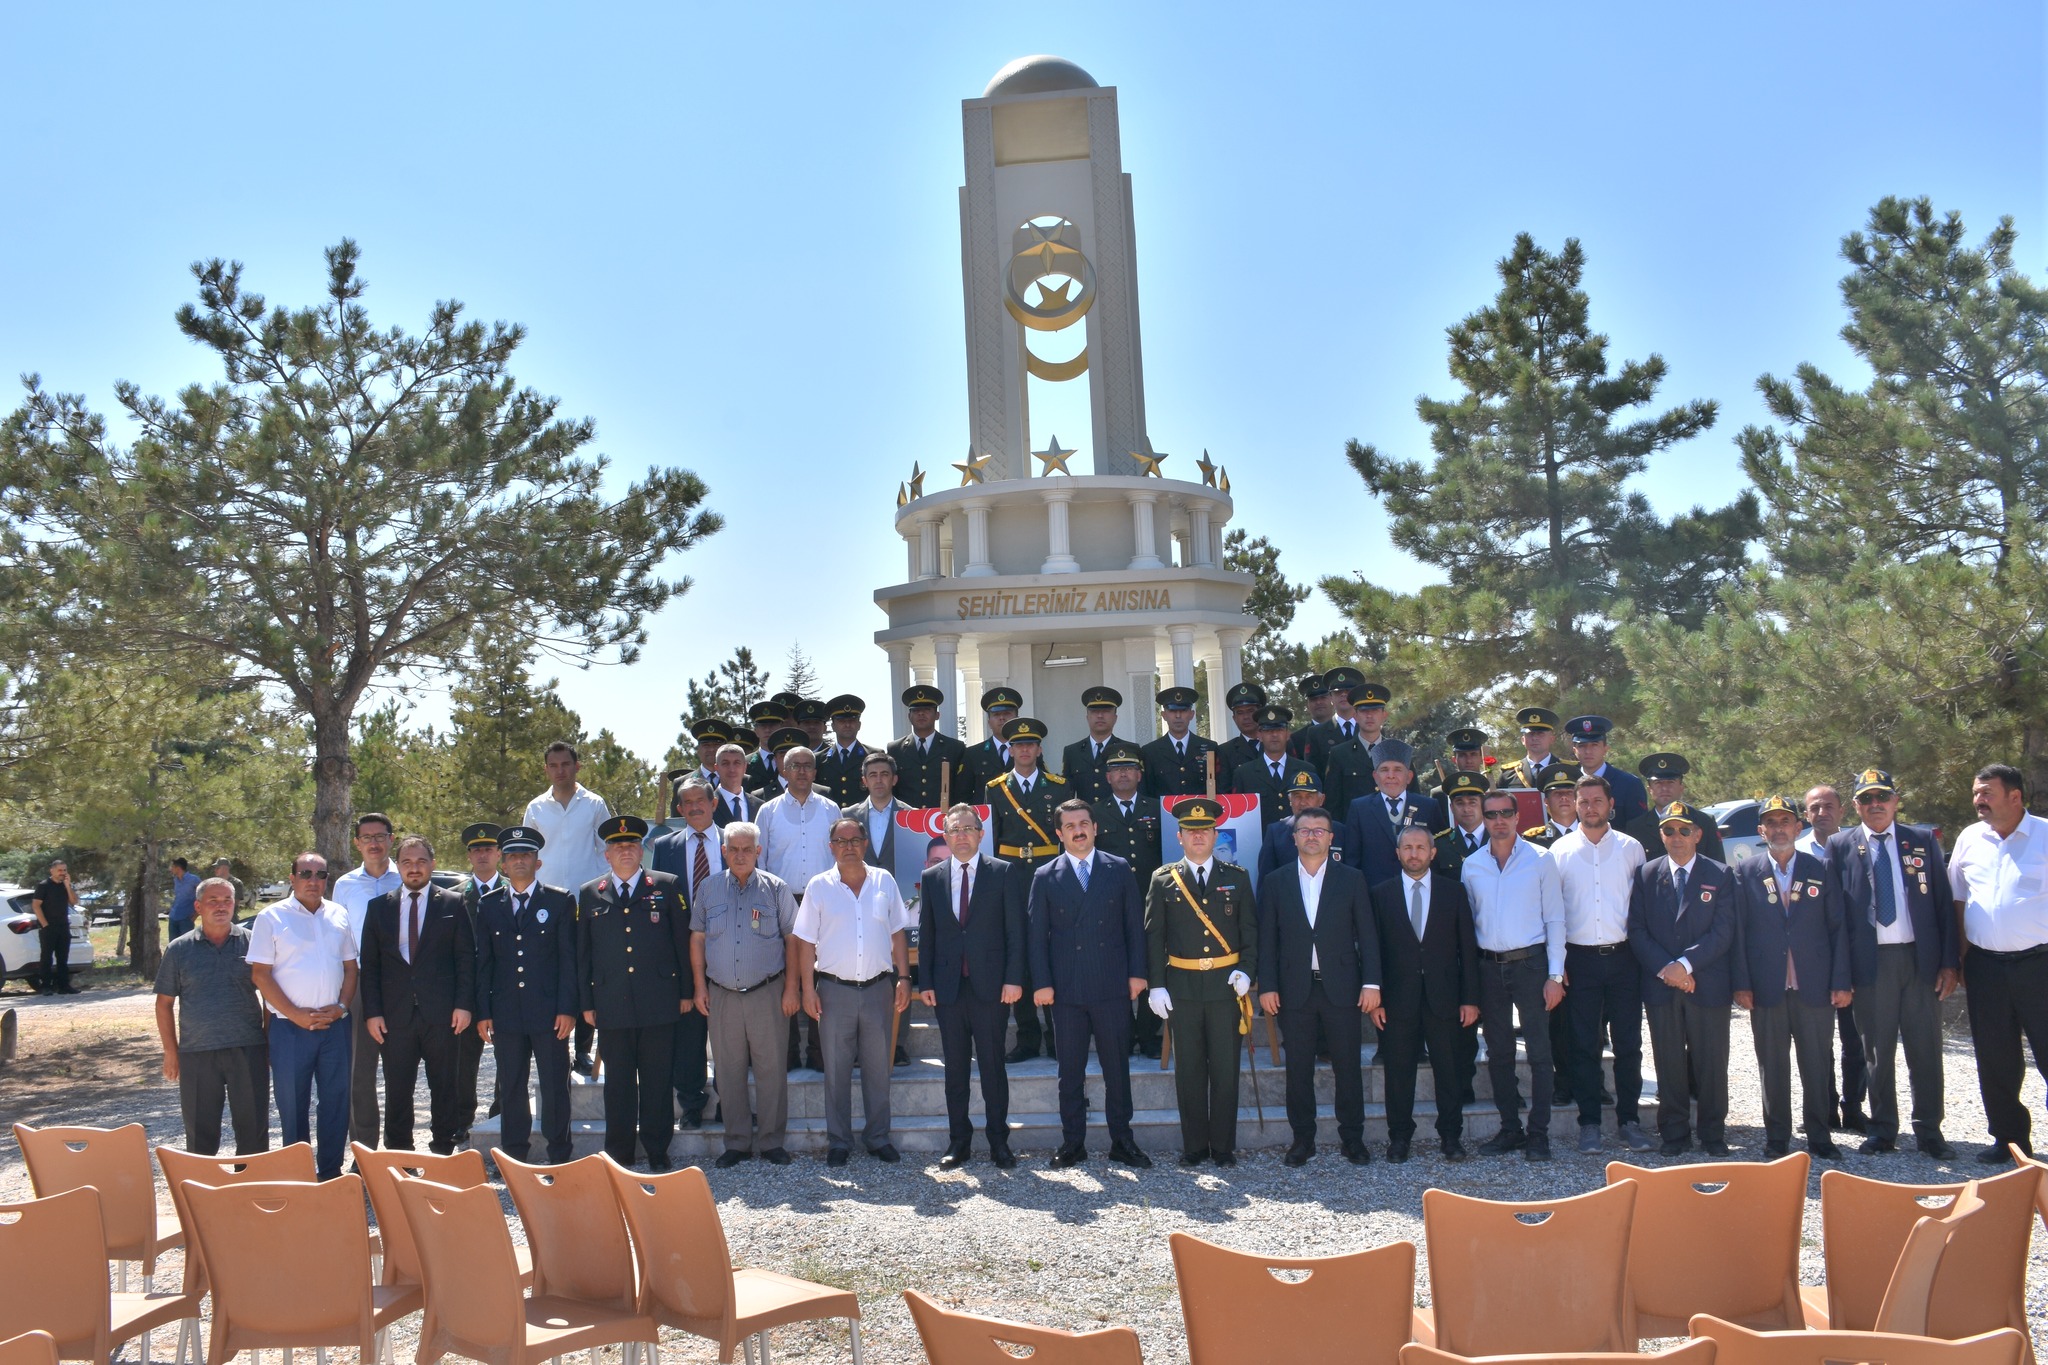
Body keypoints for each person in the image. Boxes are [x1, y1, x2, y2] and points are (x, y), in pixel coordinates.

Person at [1828, 767, 1958, 1158]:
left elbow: (1942, 906)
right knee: (1877, 1051)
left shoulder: (1921, 840)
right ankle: (1883, 1129)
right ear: (1855, 806)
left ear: (1896, 800)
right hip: (1871, 964)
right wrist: (1841, 975)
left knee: (1925, 1049)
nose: (1875, 805)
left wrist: (1949, 963)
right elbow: (1835, 917)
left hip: (1918, 960)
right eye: (1866, 799)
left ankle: (1929, 1131)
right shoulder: (1840, 845)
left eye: (1882, 797)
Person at [1029, 798, 1151, 1168]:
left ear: (1096, 828)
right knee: (1070, 1071)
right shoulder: (1045, 875)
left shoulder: (1119, 868)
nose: (1078, 830)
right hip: (1065, 990)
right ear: (1059, 834)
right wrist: (1042, 983)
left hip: (1111, 984)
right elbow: (1036, 937)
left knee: (1117, 1068)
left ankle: (1122, 1141)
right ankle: (1072, 1142)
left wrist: (1137, 973)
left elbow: (1134, 926)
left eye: (1084, 823)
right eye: (1069, 826)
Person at [1731, 795, 1849, 1160]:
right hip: (1767, 986)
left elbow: (1838, 929)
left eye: (1786, 821)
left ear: (1799, 828)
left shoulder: (1821, 868)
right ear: (1761, 830)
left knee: (1816, 1063)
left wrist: (1841, 981)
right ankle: (1778, 1137)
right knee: (1772, 1064)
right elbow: (1738, 932)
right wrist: (1742, 983)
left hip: (1813, 984)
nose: (1779, 828)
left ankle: (1819, 1135)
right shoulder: (1746, 872)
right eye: (1772, 822)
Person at [1256, 806, 1375, 1166]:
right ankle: (1302, 1140)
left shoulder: (1352, 878)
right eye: (1304, 830)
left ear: (1330, 837)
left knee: (1348, 1068)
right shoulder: (1276, 881)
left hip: (1342, 988)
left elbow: (1368, 935)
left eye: (1319, 830)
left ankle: (1352, 1138)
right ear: (1293, 838)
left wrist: (1371, 983)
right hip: (1294, 989)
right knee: (1298, 1070)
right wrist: (1268, 985)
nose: (1311, 835)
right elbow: (1268, 940)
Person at [795, 817, 913, 1167]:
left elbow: (897, 934)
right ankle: (839, 1142)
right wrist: (807, 989)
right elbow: (804, 942)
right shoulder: (818, 886)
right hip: (833, 991)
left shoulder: (884, 881)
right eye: (840, 840)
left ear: (865, 844)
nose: (848, 845)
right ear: (830, 846)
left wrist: (904, 978)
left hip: (879, 989)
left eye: (855, 839)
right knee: (836, 1070)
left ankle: (878, 1138)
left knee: (879, 1069)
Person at [1147, 796, 1257, 1166]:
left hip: (1226, 988)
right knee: (1189, 1071)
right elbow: (1154, 936)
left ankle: (1223, 1147)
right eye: (1191, 832)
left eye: (1205, 831)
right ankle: (1194, 1146)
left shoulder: (1236, 879)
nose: (1198, 837)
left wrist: (1247, 971)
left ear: (1215, 834)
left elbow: (1250, 934)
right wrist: (1156, 984)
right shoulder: (1162, 880)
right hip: (1183, 988)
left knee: (1226, 1070)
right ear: (1179, 837)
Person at [579, 815, 692, 1170]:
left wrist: (686, 991)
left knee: (658, 1080)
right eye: (617, 846)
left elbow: (682, 943)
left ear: (642, 850)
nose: (625, 850)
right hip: (611, 1004)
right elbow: (583, 955)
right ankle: (620, 1153)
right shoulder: (590, 893)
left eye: (631, 845)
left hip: (659, 1000)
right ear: (606, 855)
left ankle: (658, 1150)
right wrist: (586, 1002)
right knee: (619, 1084)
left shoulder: (667, 885)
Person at [1550, 774, 1653, 1154]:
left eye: (1597, 801)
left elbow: (1640, 909)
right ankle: (1589, 1123)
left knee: (1629, 1044)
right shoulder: (1559, 852)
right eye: (1583, 802)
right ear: (1574, 806)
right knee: (1583, 1046)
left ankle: (1629, 1120)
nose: (1590, 808)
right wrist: (1558, 967)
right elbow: (1554, 913)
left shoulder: (1631, 848)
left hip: (1624, 958)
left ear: (1611, 805)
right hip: (1580, 960)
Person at [1950, 763, 2048, 1163]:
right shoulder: (1970, 839)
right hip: (1986, 967)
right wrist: (1959, 955)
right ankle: (2009, 1140)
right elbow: (1958, 898)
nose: (1978, 800)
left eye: (1987, 792)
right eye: (1976, 793)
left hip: (2040, 966)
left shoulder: (2044, 835)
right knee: (1995, 1057)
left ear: (2015, 796)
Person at [917, 804, 1025, 1168]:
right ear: (945, 836)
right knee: (955, 1069)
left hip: (992, 987)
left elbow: (1015, 933)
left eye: (968, 828)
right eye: (954, 830)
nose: (961, 835)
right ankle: (958, 1142)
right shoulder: (932, 877)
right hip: (948, 988)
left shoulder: (1004, 872)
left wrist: (1013, 979)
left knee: (993, 1067)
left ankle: (999, 1142)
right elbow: (928, 936)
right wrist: (926, 982)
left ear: (981, 834)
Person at [1461, 790, 1566, 1160]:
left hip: (1531, 966)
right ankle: (1511, 1130)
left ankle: (1538, 1134)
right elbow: (1468, 926)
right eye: (1491, 815)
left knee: (1539, 1052)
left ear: (1518, 817)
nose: (1499, 820)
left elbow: (1555, 917)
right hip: (1489, 967)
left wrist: (1556, 975)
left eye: (1506, 813)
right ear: (1483, 819)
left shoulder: (1541, 859)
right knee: (1499, 1052)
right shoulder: (1471, 865)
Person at [690, 820, 801, 1168]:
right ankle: (736, 1141)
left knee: (771, 1070)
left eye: (746, 849)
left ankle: (771, 1142)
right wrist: (698, 987)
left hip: (767, 993)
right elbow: (696, 939)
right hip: (721, 994)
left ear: (758, 851)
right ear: (723, 852)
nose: (740, 855)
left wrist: (792, 988)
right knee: (727, 1070)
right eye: (733, 849)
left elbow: (793, 940)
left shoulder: (776, 889)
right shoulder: (708, 890)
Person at [1628, 801, 1737, 1156]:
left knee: (1711, 1062)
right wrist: (1669, 970)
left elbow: (1723, 932)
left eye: (1684, 830)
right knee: (1669, 1062)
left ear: (1698, 834)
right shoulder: (1646, 874)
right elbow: (1638, 930)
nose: (1677, 837)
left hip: (1707, 982)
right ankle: (1674, 1134)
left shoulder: (1720, 874)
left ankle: (1712, 1134)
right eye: (1669, 831)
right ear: (1661, 835)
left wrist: (1686, 967)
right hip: (1662, 985)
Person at [1369, 824, 1480, 1162]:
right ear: (1398, 853)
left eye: (1421, 847)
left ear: (1433, 853)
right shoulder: (1381, 894)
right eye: (1407, 848)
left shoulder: (1453, 892)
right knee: (1398, 1073)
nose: (1414, 854)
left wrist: (1470, 998)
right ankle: (1399, 1138)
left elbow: (1468, 949)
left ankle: (1451, 1137)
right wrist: (1375, 998)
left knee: (1449, 1070)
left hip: (1445, 998)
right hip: (1396, 1000)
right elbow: (1373, 951)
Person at [359, 835, 475, 1154]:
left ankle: (443, 1151)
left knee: (444, 1088)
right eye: (407, 862)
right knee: (398, 1091)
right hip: (394, 1017)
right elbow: (369, 966)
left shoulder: (453, 903)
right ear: (398, 866)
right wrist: (373, 1013)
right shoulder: (379, 908)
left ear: (432, 865)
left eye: (421, 861)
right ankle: (400, 1156)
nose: (414, 868)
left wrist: (464, 1005)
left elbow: (466, 958)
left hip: (442, 1014)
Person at [248, 853, 357, 1180]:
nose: (313, 880)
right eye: (306, 873)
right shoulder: (271, 918)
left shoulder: (338, 914)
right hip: (290, 1029)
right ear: (292, 877)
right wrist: (294, 1014)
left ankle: (330, 1174)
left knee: (336, 1103)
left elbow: (351, 968)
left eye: (320, 874)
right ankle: (298, 1178)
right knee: (293, 1106)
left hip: (334, 1027)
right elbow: (260, 975)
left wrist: (341, 1007)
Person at [474, 825, 578, 1165]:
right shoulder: (489, 905)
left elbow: (568, 960)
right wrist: (483, 1011)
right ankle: (514, 1155)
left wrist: (567, 1008)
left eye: (526, 855)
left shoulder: (560, 901)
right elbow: (484, 962)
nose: (519, 861)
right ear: (503, 864)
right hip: (506, 1013)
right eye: (513, 856)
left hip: (549, 1012)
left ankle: (559, 1153)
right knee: (512, 1086)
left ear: (538, 862)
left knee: (554, 1086)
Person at [154, 877, 270, 1155]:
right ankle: (204, 1193)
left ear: (235, 904)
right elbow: (163, 1004)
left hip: (248, 1047)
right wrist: (171, 1052)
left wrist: (269, 1040)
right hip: (197, 1052)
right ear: (198, 906)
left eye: (227, 900)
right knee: (200, 1133)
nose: (221, 907)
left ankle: (253, 1189)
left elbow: (271, 996)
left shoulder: (253, 944)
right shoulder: (179, 949)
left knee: (253, 1130)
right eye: (213, 901)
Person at [524, 742, 612, 1077]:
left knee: (585, 974)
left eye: (565, 763)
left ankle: (583, 1051)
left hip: (586, 900)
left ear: (577, 766)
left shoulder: (594, 804)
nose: (560, 770)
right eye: (553, 765)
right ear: (546, 769)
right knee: (551, 973)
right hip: (546, 905)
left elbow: (608, 850)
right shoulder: (536, 807)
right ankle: (554, 1046)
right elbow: (527, 854)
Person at [987, 716, 1068, 1062]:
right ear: (1010, 749)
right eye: (1018, 745)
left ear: (1038, 749)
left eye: (1030, 744)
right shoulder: (994, 788)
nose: (1024, 750)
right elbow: (990, 839)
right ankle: (1027, 1037)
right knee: (1016, 951)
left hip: (1049, 874)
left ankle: (1057, 1036)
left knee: (1051, 951)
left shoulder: (1060, 786)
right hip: (1012, 876)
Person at [759, 744, 840, 1073]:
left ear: (815, 772)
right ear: (784, 770)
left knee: (823, 976)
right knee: (785, 977)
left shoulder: (831, 809)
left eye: (808, 765)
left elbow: (839, 853)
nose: (803, 771)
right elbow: (761, 863)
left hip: (823, 900)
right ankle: (788, 1052)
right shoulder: (768, 811)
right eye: (796, 766)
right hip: (782, 901)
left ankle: (820, 1053)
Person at [648, 780, 721, 1128]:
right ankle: (691, 1103)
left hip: (729, 949)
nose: (694, 807)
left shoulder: (736, 840)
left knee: (729, 1032)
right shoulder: (665, 847)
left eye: (700, 801)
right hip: (681, 949)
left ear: (714, 803)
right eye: (686, 803)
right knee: (689, 1034)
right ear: (679, 810)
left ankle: (731, 1101)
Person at [1799, 782, 1868, 1133]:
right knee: (1816, 1040)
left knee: (1854, 1038)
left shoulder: (1860, 846)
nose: (1821, 813)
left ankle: (1854, 1107)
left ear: (1842, 810)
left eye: (1828, 806)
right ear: (1805, 814)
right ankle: (1823, 1106)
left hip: (1853, 954)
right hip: (1811, 960)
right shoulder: (1794, 851)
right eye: (1814, 808)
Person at [330, 813, 401, 1151]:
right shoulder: (344, 885)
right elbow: (338, 938)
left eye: (380, 836)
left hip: (401, 984)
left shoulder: (407, 878)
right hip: (360, 984)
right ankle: (364, 1150)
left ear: (391, 839)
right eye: (366, 837)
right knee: (360, 1072)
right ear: (357, 843)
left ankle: (399, 1147)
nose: (374, 843)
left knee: (400, 1070)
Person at [1095, 744, 1166, 1057]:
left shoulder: (1157, 808)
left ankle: (1149, 1035)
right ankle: (1122, 1034)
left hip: (1152, 901)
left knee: (1151, 967)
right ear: (1108, 777)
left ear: (1139, 774)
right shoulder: (1094, 812)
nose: (1123, 774)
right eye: (1117, 769)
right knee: (1114, 969)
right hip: (1109, 904)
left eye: (1129, 769)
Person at [452, 823, 501, 1144]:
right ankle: (462, 1118)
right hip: (465, 990)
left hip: (504, 987)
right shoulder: (453, 897)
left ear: (499, 854)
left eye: (488, 849)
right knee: (462, 1059)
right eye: (476, 850)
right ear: (469, 855)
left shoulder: (514, 889)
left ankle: (501, 1114)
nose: (482, 855)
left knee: (509, 1056)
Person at [1343, 739, 1442, 888]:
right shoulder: (1359, 808)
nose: (1391, 775)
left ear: (1409, 777)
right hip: (1373, 894)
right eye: (1384, 770)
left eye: (1397, 769)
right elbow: (1352, 859)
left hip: (1419, 890)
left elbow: (1439, 853)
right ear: (1375, 777)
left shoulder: (1428, 806)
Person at [1625, 753, 1727, 862]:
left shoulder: (1704, 822)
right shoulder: (1636, 827)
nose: (1664, 788)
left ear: (1681, 787)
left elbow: (1718, 866)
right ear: (1650, 789)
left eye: (1670, 782)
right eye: (1658, 783)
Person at [887, 684, 970, 810]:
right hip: (907, 820)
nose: (921, 714)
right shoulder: (895, 749)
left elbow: (962, 789)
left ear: (937, 715)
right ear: (909, 716)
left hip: (942, 819)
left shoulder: (954, 748)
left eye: (927, 710)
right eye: (915, 710)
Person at [1233, 704, 1314, 828]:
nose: (1274, 735)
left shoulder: (1306, 770)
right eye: (1268, 730)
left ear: (1288, 734)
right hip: (1259, 843)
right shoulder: (1244, 773)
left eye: (1279, 729)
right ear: (1259, 735)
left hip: (1297, 841)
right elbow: (1239, 815)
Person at [1260, 770, 1353, 876]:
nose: (1303, 802)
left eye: (1309, 796)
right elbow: (1266, 881)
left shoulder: (1340, 831)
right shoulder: (1276, 833)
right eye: (1297, 796)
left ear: (1321, 799)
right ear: (1290, 799)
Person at [1562, 716, 1648, 829]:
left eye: (1594, 745)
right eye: (1582, 746)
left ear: (1605, 748)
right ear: (1574, 750)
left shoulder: (1629, 784)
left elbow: (1639, 828)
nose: (1588, 751)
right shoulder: (1567, 784)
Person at [1141, 686, 1225, 797]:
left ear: (1192, 714)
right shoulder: (1150, 752)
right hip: (1164, 813)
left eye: (1183, 710)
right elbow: (1147, 792)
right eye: (1172, 710)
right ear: (1164, 715)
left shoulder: (1210, 747)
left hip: (1201, 812)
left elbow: (1218, 789)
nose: (1178, 716)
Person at [843, 753, 912, 872]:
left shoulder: (911, 815)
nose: (879, 780)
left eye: (884, 774)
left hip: (898, 888)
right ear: (865, 781)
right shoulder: (848, 816)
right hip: (859, 887)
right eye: (873, 775)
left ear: (894, 779)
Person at [1058, 687, 1127, 807]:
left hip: (1117, 821)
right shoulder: (1072, 752)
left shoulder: (1126, 750)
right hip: (1084, 821)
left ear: (1115, 718)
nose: (1100, 716)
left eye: (1106, 711)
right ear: (1087, 717)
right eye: (1094, 711)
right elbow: (1067, 793)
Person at [1496, 707, 1577, 791]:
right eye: (1530, 734)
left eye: (1540, 734)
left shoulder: (1568, 770)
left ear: (1552, 739)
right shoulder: (1509, 773)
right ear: (1523, 740)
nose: (1535, 738)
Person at [813, 695, 873, 808]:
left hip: (861, 821)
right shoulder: (819, 759)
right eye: (841, 720)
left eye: (852, 720)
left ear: (859, 725)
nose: (847, 725)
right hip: (829, 821)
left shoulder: (872, 755)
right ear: (833, 726)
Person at [961, 686, 1024, 791]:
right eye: (996, 714)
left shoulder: (1028, 751)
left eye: (1007, 713)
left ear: (1017, 719)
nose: (1002, 718)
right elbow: (963, 793)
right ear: (989, 722)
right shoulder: (973, 754)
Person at [32, 860, 79, 995]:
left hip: (63, 926)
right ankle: (46, 986)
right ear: (52, 871)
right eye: (60, 870)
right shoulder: (44, 886)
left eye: (64, 870)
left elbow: (73, 902)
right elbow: (36, 905)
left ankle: (63, 986)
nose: (62, 873)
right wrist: (45, 924)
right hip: (48, 927)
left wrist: (68, 886)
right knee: (47, 957)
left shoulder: (65, 886)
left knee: (63, 957)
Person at [1214, 681, 1268, 781]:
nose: (1246, 717)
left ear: (1260, 714)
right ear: (1234, 718)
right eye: (1240, 713)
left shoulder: (1276, 744)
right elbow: (1223, 791)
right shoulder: (1225, 751)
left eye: (1251, 711)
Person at [711, 742, 769, 828]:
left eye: (737, 763)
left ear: (745, 767)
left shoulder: (760, 806)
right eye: (725, 763)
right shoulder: (708, 805)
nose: (732, 769)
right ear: (716, 768)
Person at [1525, 767, 1581, 846]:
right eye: (1557, 793)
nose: (1564, 797)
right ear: (1546, 801)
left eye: (1569, 792)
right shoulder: (1533, 841)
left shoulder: (1593, 833)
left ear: (1578, 799)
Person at [168, 857, 202, 943]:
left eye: (172, 867)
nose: (170, 869)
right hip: (173, 917)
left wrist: (195, 915)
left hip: (186, 919)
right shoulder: (176, 880)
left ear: (178, 868)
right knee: (173, 945)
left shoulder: (194, 880)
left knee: (186, 945)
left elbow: (203, 897)